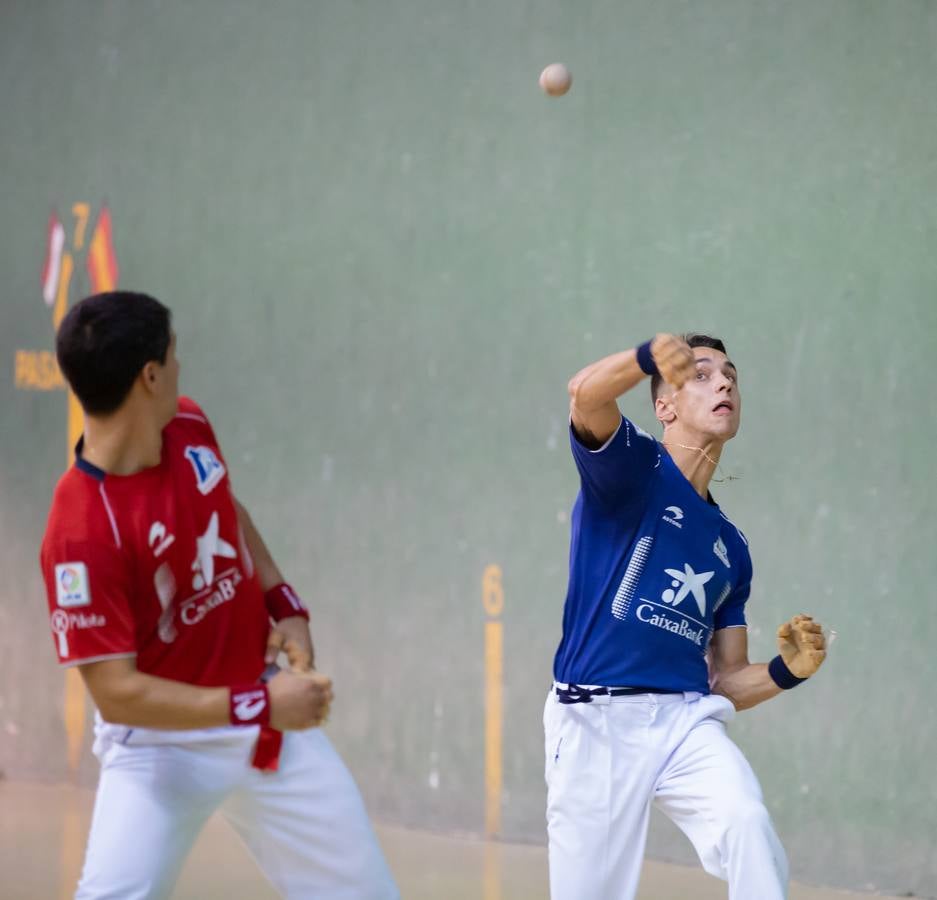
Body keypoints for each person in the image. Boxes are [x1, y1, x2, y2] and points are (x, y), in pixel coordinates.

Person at [40, 291, 398, 900]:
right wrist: (259, 707)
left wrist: (283, 603)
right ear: (149, 375)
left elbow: (223, 505)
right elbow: (117, 694)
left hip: (261, 727)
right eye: (174, 354)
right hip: (158, 750)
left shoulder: (187, 424)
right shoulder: (79, 530)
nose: (182, 367)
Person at [545, 332, 827, 900]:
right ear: (664, 406)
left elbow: (726, 678)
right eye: (701, 374)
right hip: (595, 720)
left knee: (746, 823)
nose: (724, 382)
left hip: (683, 722)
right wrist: (646, 356)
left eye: (730, 376)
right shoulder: (631, 468)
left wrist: (786, 670)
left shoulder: (731, 547)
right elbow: (584, 395)